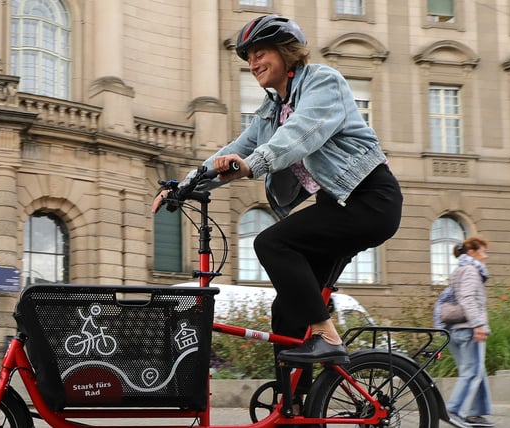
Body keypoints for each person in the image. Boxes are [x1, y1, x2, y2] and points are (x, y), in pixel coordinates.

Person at [152, 14, 402, 366]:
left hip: (370, 200)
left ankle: (327, 336)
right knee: (286, 308)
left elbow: (301, 133)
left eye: (261, 54)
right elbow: (234, 149)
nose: (254, 64)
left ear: (286, 52)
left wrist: (254, 163)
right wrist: (185, 184)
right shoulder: (272, 109)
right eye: (249, 58)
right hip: (337, 205)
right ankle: (291, 408)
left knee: (271, 242)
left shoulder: (322, 82)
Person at [444, 236, 494, 428]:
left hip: (457, 331)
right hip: (468, 329)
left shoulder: (459, 270)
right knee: (471, 373)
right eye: (483, 252)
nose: (486, 256)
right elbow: (467, 298)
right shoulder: (471, 270)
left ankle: (474, 414)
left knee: (476, 371)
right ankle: (454, 411)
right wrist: (478, 325)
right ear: (471, 253)